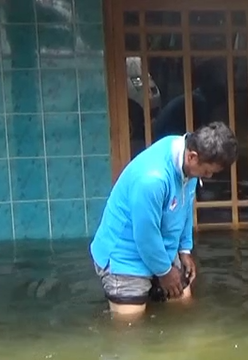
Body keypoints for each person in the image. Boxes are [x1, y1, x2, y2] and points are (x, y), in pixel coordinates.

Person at [90, 122, 238, 318]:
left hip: (161, 248)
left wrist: (184, 249)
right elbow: (145, 235)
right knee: (129, 325)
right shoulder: (153, 179)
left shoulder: (187, 158)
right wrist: (165, 272)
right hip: (124, 254)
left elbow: (185, 205)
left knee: (183, 305)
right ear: (192, 156)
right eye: (207, 172)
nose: (208, 176)